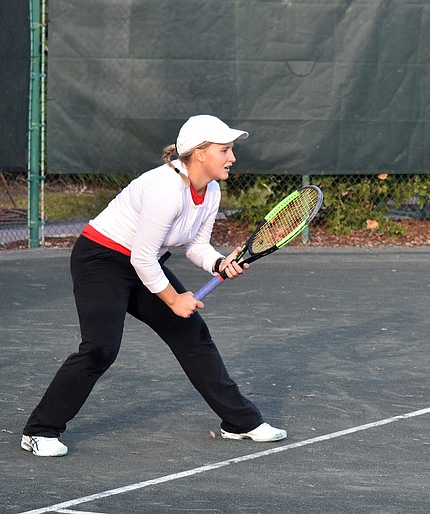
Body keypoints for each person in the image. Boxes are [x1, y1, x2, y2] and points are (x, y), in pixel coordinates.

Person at [21, 115, 287, 457]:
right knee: (100, 348)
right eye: (224, 150)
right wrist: (174, 300)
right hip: (101, 259)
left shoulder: (211, 190)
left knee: (193, 334)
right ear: (200, 153)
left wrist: (219, 262)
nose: (232, 157)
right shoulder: (165, 189)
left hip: (142, 263)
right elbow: (143, 257)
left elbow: (195, 245)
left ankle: (240, 422)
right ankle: (39, 431)